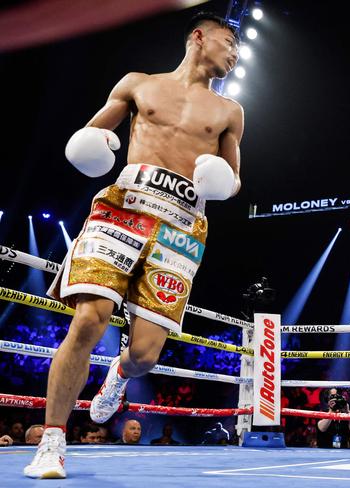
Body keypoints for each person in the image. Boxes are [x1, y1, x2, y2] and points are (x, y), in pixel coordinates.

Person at [24, 11, 243, 479]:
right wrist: (92, 143)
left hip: (181, 227)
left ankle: (117, 375)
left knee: (144, 355)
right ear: (199, 37)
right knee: (87, 321)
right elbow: (90, 135)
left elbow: (234, 179)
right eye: (229, 42)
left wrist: (223, 182)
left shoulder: (230, 112)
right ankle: (53, 440)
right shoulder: (138, 84)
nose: (234, 53)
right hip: (122, 209)